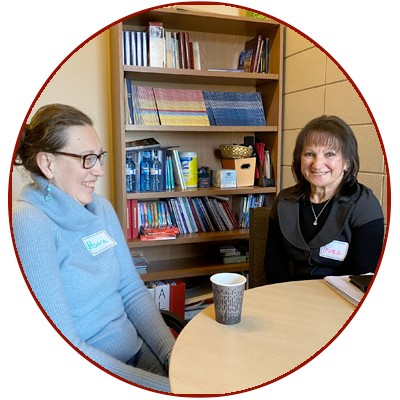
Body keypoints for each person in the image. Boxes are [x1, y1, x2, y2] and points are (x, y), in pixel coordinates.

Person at [12, 104, 175, 392]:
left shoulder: (100, 208)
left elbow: (131, 290)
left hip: (136, 352)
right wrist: (161, 387)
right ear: (47, 164)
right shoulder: (30, 223)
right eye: (87, 159)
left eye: (99, 156)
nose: (99, 170)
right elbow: (65, 346)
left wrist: (170, 355)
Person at [264, 115, 384, 283]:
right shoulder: (284, 201)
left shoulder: (365, 205)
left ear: (347, 162)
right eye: (309, 154)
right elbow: (274, 266)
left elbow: (361, 275)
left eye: (329, 154)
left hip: (343, 301)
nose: (317, 164)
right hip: (290, 295)